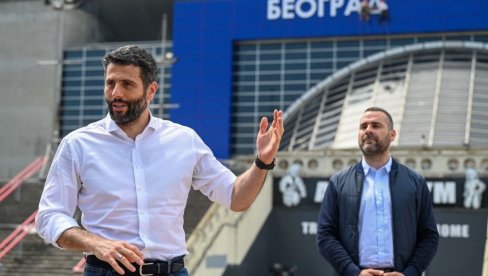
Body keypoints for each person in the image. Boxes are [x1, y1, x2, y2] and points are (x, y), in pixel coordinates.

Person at [35, 45, 284, 276]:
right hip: (107, 271)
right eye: (110, 83)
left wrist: (262, 162)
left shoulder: (184, 140)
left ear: (151, 90)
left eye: (127, 84)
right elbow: (50, 215)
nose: (116, 93)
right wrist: (95, 242)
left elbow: (235, 198)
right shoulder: (77, 144)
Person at [316, 107, 439, 276]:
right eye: (363, 126)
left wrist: (409, 273)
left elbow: (429, 236)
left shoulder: (415, 182)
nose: (368, 130)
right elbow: (325, 235)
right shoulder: (339, 183)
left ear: (392, 134)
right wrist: (353, 272)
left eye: (375, 125)